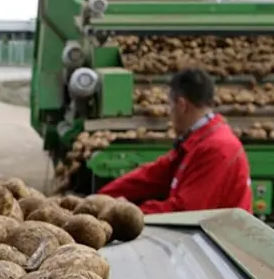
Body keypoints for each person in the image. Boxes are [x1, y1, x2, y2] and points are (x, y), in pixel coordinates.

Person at [98, 68, 252, 214]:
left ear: (182, 105)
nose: (169, 115)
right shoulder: (196, 141)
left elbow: (186, 210)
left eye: (170, 106)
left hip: (223, 240)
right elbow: (151, 176)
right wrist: (102, 197)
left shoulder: (217, 148)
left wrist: (130, 212)